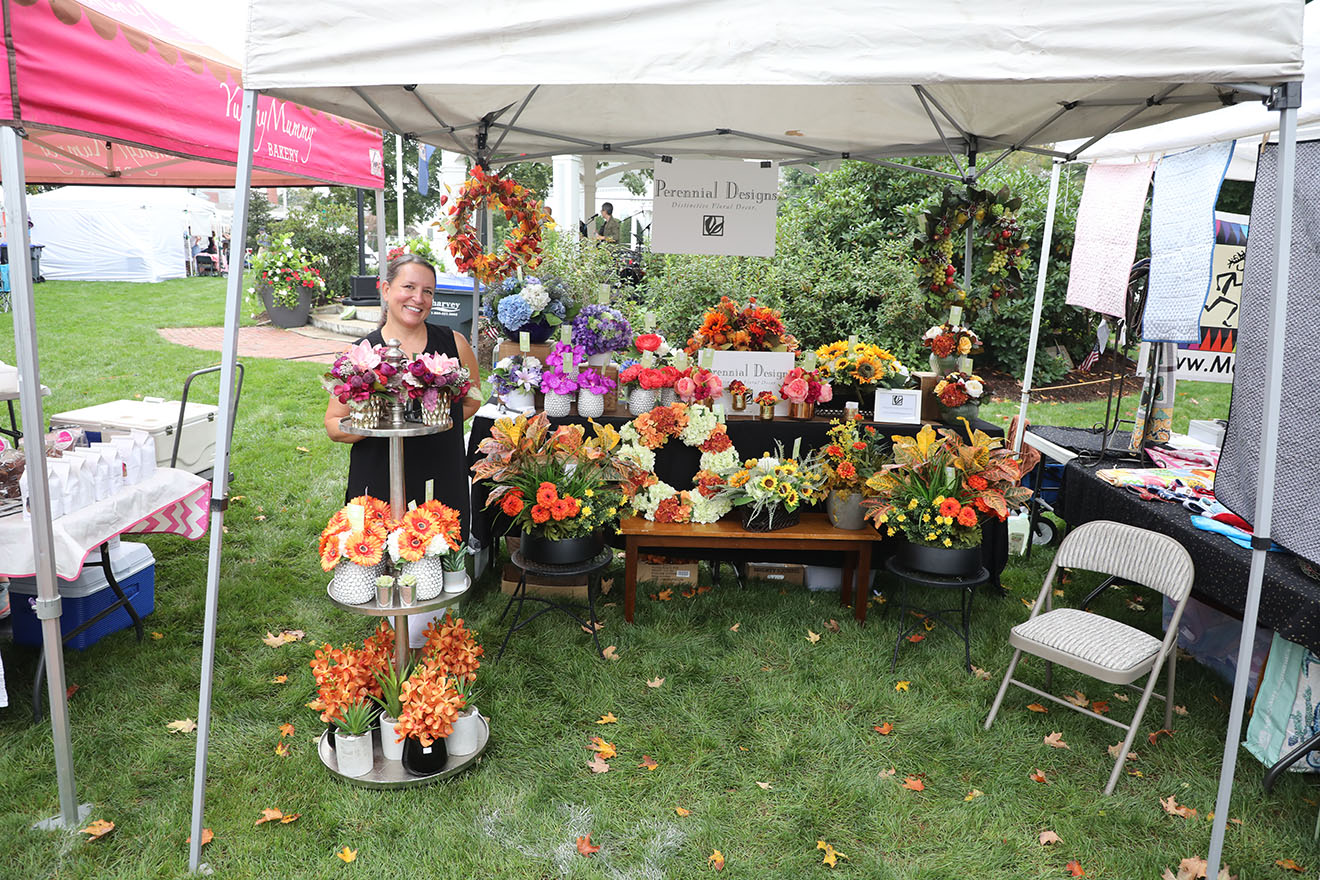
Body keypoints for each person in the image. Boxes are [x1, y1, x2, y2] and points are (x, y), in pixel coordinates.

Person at [325, 255, 482, 533]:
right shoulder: (359, 355)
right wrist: (380, 422)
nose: (418, 298)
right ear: (386, 290)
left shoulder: (454, 344)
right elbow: (333, 426)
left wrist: (435, 419)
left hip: (441, 474)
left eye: (427, 291)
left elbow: (473, 400)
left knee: (442, 550)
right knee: (377, 549)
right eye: (408, 287)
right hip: (378, 476)